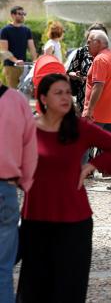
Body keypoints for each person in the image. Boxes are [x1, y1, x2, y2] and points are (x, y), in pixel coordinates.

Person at [17, 74, 111, 303]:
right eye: (59, 93)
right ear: (44, 98)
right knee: (34, 286)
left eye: (68, 92)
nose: (66, 97)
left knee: (69, 287)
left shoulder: (80, 128)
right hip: (36, 219)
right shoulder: (28, 128)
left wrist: (91, 166)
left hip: (74, 221)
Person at [0, 82, 37, 302]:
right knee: (3, 268)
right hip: (6, 187)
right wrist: (24, 183)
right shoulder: (16, 101)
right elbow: (30, 150)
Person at [82, 30, 111, 190]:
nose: (87, 45)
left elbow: (98, 85)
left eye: (89, 41)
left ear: (99, 42)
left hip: (98, 112)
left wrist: (89, 110)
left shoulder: (100, 60)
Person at [67, 23, 108, 113]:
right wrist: (77, 76)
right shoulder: (82, 52)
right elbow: (70, 71)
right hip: (83, 98)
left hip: (104, 98)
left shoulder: (108, 54)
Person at [0, 6, 37, 89]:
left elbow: (32, 48)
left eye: (23, 14)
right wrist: (16, 60)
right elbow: (4, 50)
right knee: (12, 92)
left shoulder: (26, 30)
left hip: (24, 67)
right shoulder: (5, 30)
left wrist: (35, 60)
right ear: (12, 15)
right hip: (10, 66)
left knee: (24, 92)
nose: (22, 16)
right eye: (19, 14)